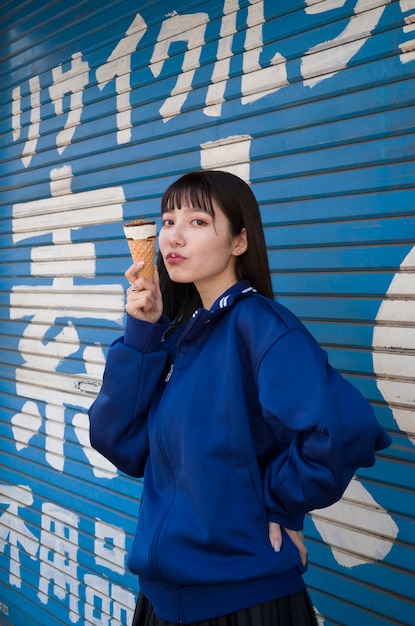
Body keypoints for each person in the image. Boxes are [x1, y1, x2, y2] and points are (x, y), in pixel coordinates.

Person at [89, 170, 391, 626]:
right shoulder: (175, 335)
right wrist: (142, 333)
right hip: (161, 601)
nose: (174, 235)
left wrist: (282, 504)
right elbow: (120, 442)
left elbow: (342, 426)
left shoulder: (261, 325)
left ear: (238, 242)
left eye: (197, 222)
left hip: (245, 600)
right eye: (168, 220)